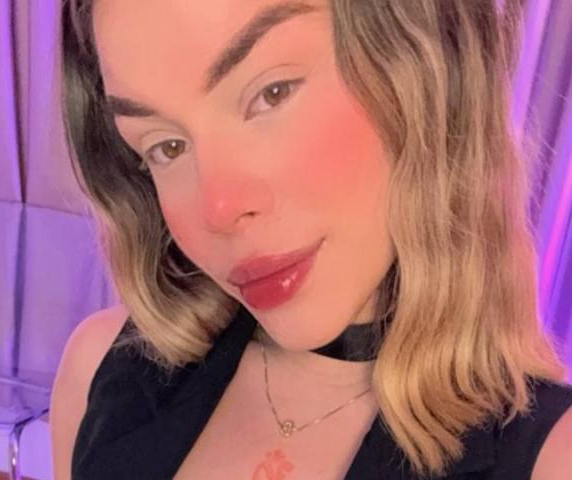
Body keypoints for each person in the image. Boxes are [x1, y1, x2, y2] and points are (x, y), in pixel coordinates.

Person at [50, 0, 572, 479]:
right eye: (166, 147)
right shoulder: (100, 373)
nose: (219, 210)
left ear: (426, 69)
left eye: (271, 94)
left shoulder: (553, 459)